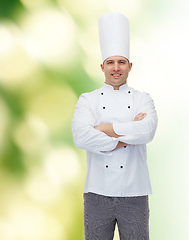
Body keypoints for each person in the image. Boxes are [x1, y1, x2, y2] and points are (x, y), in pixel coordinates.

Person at [71, 12, 158, 240]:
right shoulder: (87, 100)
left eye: (121, 62)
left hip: (136, 193)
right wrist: (128, 133)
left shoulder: (143, 99)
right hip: (97, 194)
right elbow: (81, 138)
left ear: (130, 66)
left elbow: (147, 131)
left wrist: (103, 129)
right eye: (110, 62)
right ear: (102, 66)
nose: (116, 68)